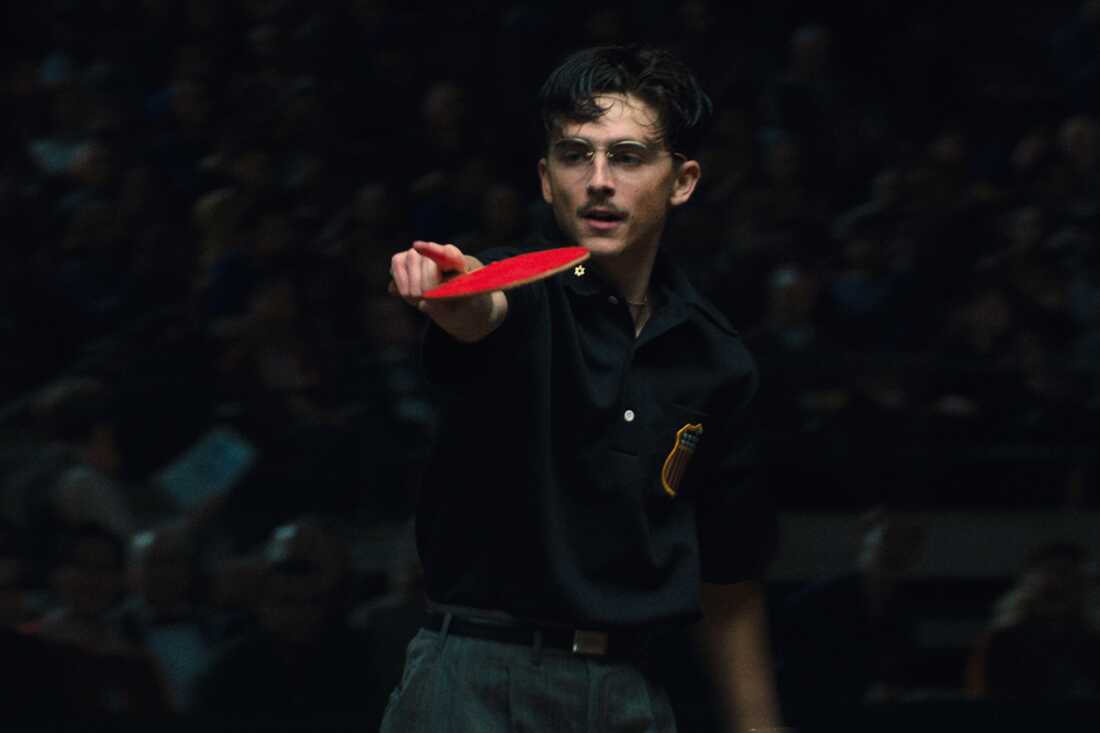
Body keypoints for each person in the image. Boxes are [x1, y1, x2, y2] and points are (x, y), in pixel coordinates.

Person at [386, 45, 786, 732]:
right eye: (576, 155)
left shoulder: (717, 359)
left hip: (628, 690)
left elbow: (730, 580)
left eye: (627, 157)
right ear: (547, 179)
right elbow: (482, 306)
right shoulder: (518, 288)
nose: (599, 181)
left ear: (682, 180)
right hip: (473, 679)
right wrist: (454, 291)